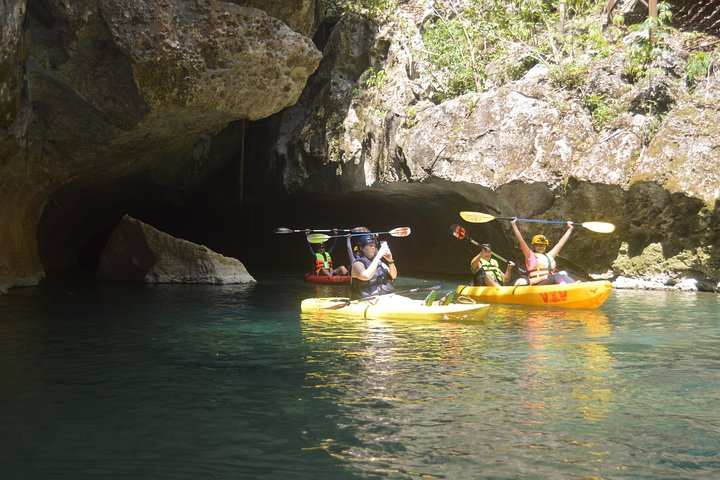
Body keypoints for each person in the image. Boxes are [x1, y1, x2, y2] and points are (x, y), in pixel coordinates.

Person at [510, 218, 575, 285]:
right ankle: (566, 288)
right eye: (538, 245)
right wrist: (513, 224)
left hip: (549, 282)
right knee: (556, 276)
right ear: (534, 246)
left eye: (543, 245)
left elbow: (560, 243)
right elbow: (521, 241)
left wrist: (570, 229)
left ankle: (576, 285)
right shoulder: (530, 256)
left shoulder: (549, 256)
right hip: (537, 284)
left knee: (563, 274)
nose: (541, 247)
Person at [350, 234, 397, 299]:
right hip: (365, 301)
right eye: (370, 245)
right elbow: (366, 276)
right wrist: (378, 256)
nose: (373, 248)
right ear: (361, 248)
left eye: (374, 246)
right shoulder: (357, 264)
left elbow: (393, 276)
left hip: (384, 297)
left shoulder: (380, 263)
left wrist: (390, 261)